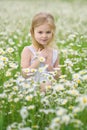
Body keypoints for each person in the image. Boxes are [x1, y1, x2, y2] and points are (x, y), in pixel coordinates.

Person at [21, 12, 61, 92]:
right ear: (32, 32)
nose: (44, 36)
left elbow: (58, 76)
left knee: (48, 85)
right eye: (40, 32)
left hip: (48, 86)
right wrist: (39, 60)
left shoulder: (54, 52)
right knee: (45, 85)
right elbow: (24, 75)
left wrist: (50, 67)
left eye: (48, 32)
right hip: (30, 87)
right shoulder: (28, 50)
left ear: (52, 32)